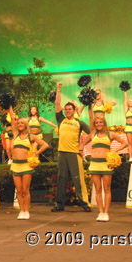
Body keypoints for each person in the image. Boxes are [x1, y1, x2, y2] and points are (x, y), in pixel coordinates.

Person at [80, 107, 128, 221]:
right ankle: (100, 212)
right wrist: (80, 150)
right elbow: (81, 145)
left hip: (106, 164)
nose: (99, 124)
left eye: (100, 122)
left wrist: (115, 151)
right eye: (96, 123)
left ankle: (106, 213)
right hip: (94, 164)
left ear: (104, 123)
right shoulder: (92, 134)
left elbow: (125, 143)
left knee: (107, 188)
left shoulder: (110, 134)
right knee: (97, 189)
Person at [52, 82, 92, 212]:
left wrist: (82, 145)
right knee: (61, 179)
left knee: (78, 179)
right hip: (62, 154)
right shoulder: (60, 119)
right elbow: (57, 104)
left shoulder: (79, 122)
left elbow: (92, 133)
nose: (68, 111)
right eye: (66, 109)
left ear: (74, 111)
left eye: (70, 109)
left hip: (74, 154)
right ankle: (60, 204)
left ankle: (84, 203)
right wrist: (58, 89)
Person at [9, 106, 48, 219]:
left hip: (26, 165)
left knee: (25, 190)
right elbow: (12, 118)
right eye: (19, 123)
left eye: (22, 123)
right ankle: (21, 211)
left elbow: (45, 144)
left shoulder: (31, 136)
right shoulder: (15, 134)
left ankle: (27, 211)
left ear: (26, 124)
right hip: (15, 165)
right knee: (19, 190)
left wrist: (36, 152)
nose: (20, 124)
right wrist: (10, 107)